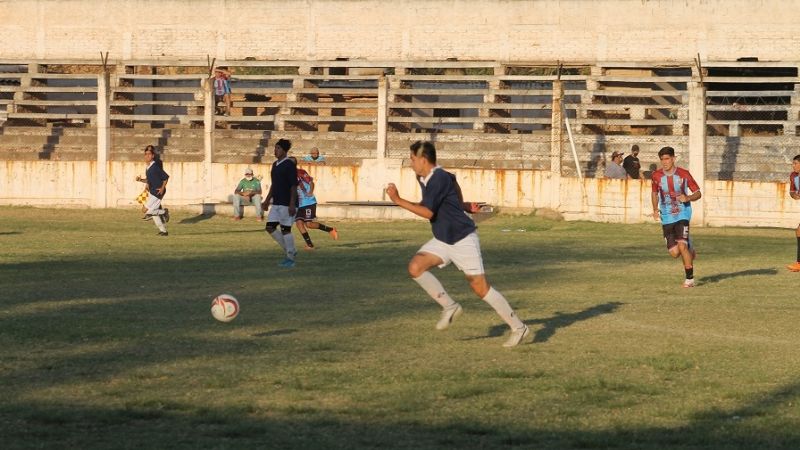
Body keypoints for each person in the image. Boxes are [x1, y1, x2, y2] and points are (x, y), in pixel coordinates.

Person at [385, 140, 530, 347]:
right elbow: (452, 186)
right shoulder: (425, 177)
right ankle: (450, 307)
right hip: (444, 239)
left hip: (462, 239)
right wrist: (463, 205)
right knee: (416, 267)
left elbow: (428, 212)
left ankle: (519, 328)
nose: (411, 163)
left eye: (413, 159)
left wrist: (398, 200)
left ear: (423, 160)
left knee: (481, 289)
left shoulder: (439, 178)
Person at [651, 146, 701, 288]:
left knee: (681, 245)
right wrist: (655, 209)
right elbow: (654, 193)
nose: (664, 162)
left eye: (667, 159)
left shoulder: (684, 174)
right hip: (666, 217)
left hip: (682, 214)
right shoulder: (656, 176)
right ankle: (690, 246)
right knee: (674, 253)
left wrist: (688, 197)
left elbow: (698, 192)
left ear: (673, 158)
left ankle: (689, 279)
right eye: (662, 159)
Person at [287, 156, 339, 250]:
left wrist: (310, 192)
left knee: (309, 224)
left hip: (308, 202)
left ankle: (331, 230)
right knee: (299, 223)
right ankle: (310, 245)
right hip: (299, 204)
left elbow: (311, 182)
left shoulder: (301, 172)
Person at [262, 139, 298, 268]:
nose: (275, 150)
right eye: (275, 148)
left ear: (284, 150)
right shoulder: (275, 164)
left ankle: (290, 258)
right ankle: (291, 249)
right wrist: (267, 200)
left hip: (286, 203)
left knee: (285, 230)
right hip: (277, 202)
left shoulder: (289, 165)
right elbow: (274, 184)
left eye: (277, 148)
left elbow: (294, 186)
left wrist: (292, 204)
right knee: (270, 227)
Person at [135, 145, 170, 236]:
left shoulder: (155, 166)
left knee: (145, 210)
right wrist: (140, 180)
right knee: (153, 213)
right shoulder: (148, 167)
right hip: (152, 191)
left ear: (153, 155)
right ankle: (163, 231)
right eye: (146, 154)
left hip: (157, 192)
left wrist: (162, 188)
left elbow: (166, 177)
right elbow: (149, 180)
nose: (147, 156)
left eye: (149, 154)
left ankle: (164, 212)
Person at [786, 155, 800, 272]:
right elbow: (792, 192)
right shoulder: (793, 175)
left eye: (795, 163)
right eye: (793, 163)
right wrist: (795, 195)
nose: (793, 165)